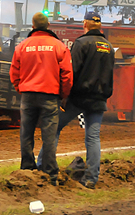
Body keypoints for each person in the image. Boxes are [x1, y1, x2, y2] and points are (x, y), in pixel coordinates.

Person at [9, 12, 73, 184]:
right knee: (49, 136)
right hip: (50, 95)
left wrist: (20, 88)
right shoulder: (59, 46)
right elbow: (67, 74)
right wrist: (63, 94)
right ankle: (50, 172)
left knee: (26, 133)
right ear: (48, 26)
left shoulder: (22, 46)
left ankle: (27, 168)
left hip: (28, 95)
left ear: (33, 26)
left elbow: (14, 72)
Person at [56, 11, 115, 189]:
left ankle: (44, 168)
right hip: (99, 100)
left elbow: (72, 71)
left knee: (54, 128)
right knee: (93, 137)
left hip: (79, 98)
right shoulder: (109, 47)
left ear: (85, 24)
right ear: (100, 25)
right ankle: (91, 179)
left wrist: (64, 96)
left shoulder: (81, 43)